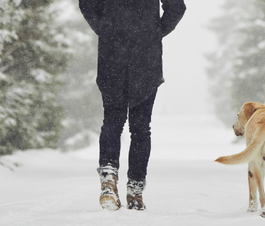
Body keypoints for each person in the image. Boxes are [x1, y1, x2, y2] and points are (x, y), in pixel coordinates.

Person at [79, 0, 186, 211]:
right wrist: (154, 30)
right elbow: (176, 7)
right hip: (145, 55)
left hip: (112, 54)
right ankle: (135, 189)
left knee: (112, 120)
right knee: (141, 128)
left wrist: (106, 28)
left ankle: (108, 177)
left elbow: (86, 4)